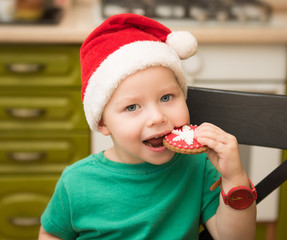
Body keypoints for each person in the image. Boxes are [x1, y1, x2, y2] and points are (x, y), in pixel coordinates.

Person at [38, 13, 256, 240]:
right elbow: (52, 234)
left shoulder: (199, 167)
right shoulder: (76, 182)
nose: (157, 117)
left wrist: (234, 178)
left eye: (166, 97)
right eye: (132, 107)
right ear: (103, 123)